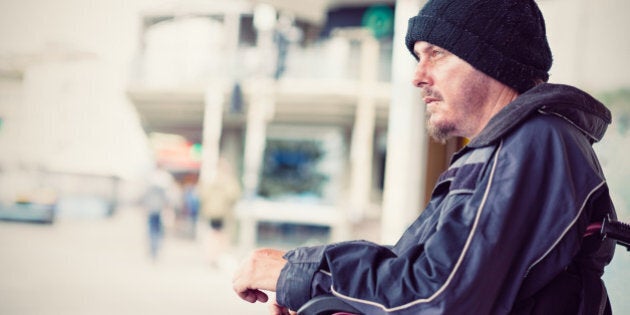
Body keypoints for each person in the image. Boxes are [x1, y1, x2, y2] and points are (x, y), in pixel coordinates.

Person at [232, 0, 617, 314]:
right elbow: (420, 273)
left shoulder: (532, 143)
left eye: (437, 54)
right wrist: (308, 279)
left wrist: (298, 275)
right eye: (419, 56)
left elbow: (437, 297)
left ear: (492, 61)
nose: (418, 75)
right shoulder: (515, 146)